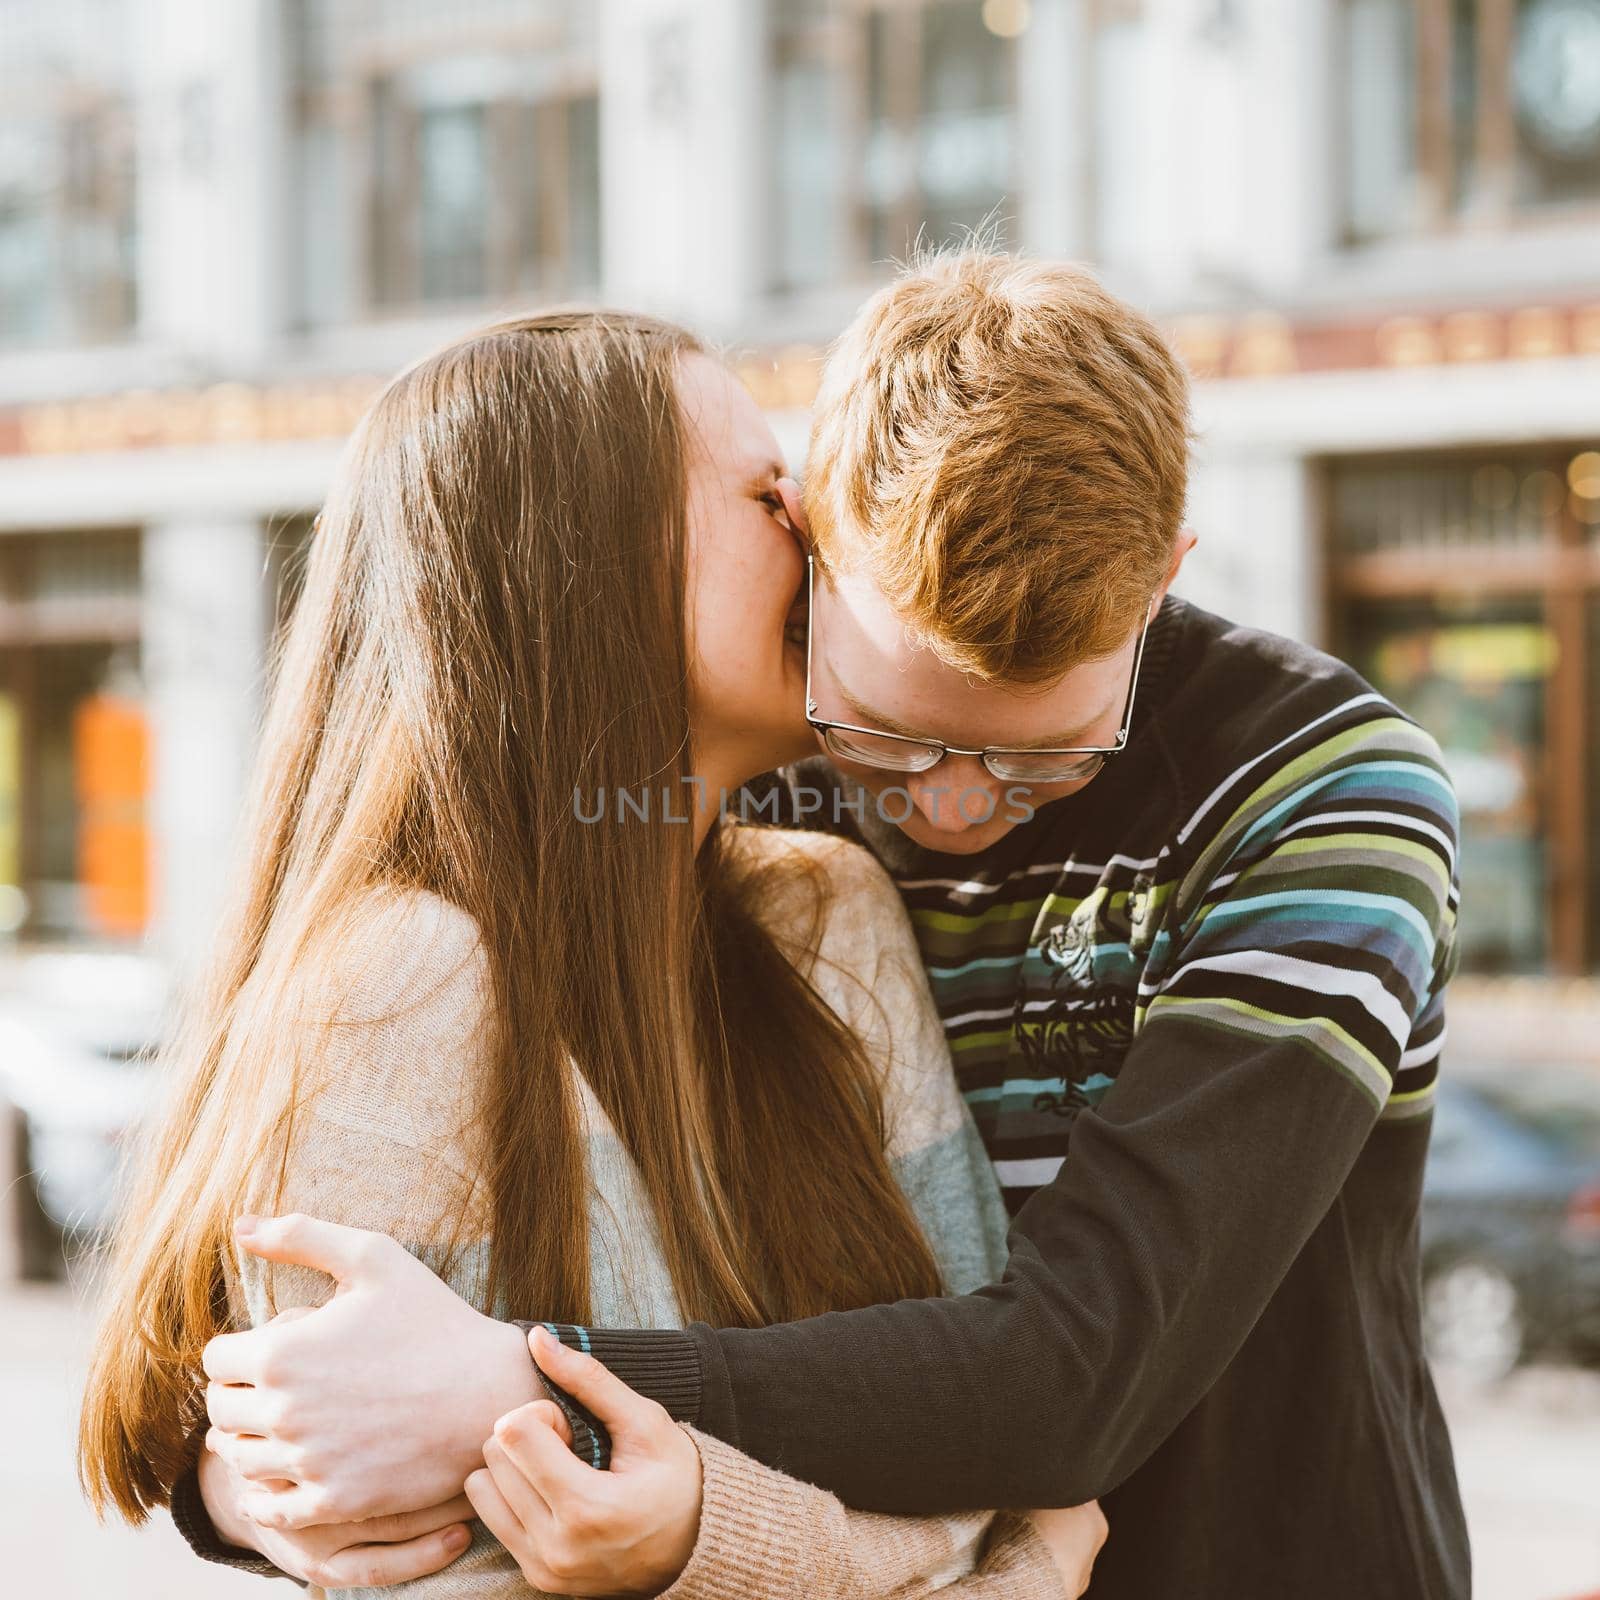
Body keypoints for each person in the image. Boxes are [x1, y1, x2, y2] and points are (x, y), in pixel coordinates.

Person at [170, 252, 1468, 1598]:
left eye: (1047, 759)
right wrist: (258, 1475)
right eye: (891, 738)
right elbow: (268, 1348)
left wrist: (523, 1386)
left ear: (1165, 578)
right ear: (813, 530)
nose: (954, 804)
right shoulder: (755, 798)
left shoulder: (1322, 790)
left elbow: (1076, 1374)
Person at [76, 309, 1107, 1598]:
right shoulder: (400, 987)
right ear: (582, 564)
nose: (825, 532)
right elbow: (428, 1566)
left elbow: (984, 1438)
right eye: (766, 495)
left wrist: (705, 1538)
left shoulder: (830, 918)